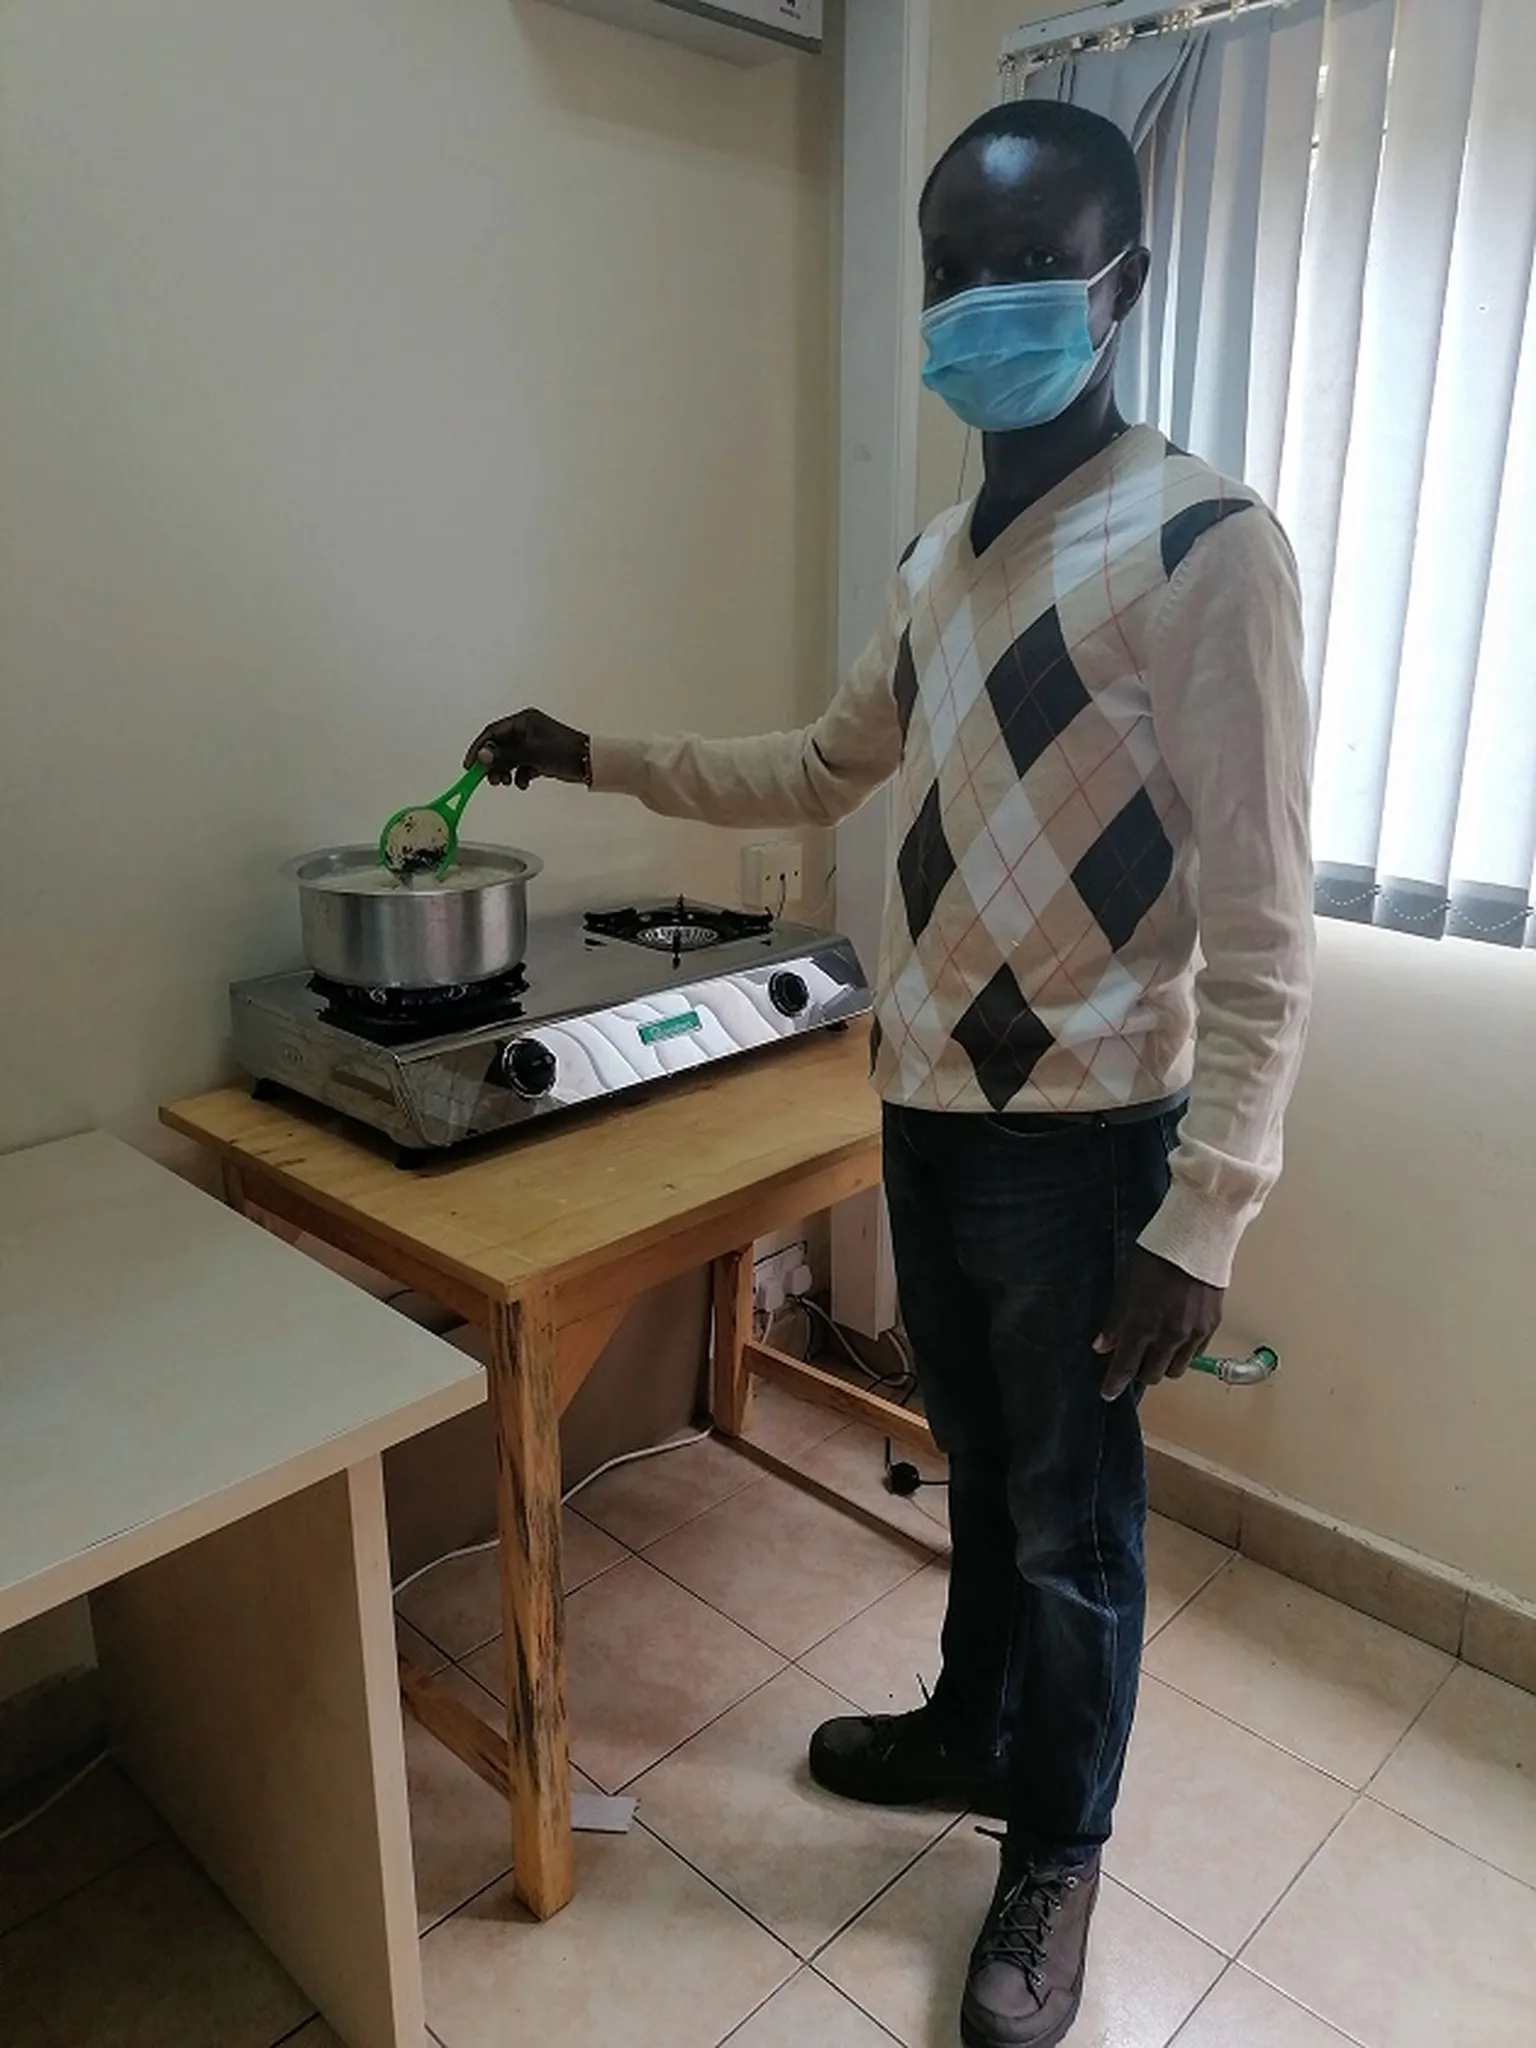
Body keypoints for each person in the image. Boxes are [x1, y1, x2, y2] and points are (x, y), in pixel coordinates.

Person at [467, 98, 1313, 2048]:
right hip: (920, 1101)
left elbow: (1268, 926)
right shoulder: (941, 557)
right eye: (953, 272)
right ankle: (966, 1723)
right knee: (984, 1457)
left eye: (1030, 266)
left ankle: (1057, 1848)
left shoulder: (1206, 548)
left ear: (1125, 286)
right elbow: (816, 766)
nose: (981, 305)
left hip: (1094, 1140)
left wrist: (1208, 1211)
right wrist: (596, 750)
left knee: (1070, 1512)